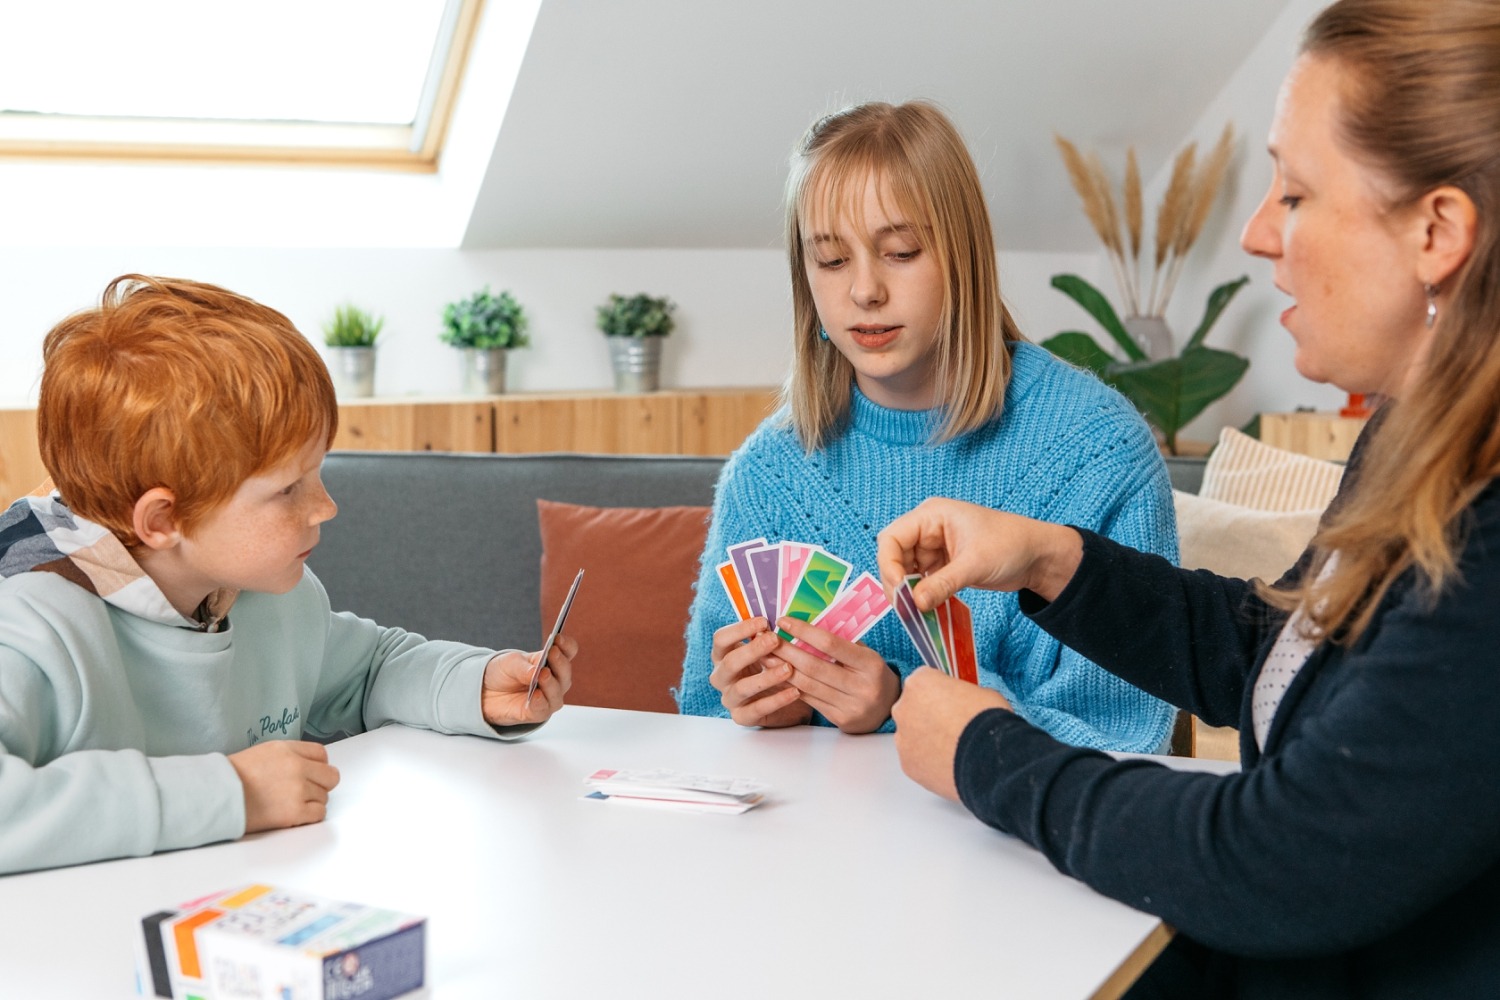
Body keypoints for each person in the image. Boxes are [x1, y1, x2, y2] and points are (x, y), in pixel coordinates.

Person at [877, 1, 1500, 994]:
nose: (1257, 234)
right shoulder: (1421, 441)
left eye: (1293, 193)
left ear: (1437, 232)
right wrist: (1047, 557)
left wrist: (985, 755)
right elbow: (1279, 648)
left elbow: (1278, 858)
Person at [0, 275, 575, 876]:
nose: (326, 506)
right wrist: (231, 793)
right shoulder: (34, 622)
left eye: (317, 473)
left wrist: (472, 685)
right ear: (163, 519)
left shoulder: (271, 596)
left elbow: (367, 670)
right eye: (288, 488)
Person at [676, 101, 1178, 751]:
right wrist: (759, 713)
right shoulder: (768, 474)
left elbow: (1125, 743)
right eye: (830, 260)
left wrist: (899, 698)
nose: (865, 290)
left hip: (1021, 841)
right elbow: (700, 723)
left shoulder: (1103, 454)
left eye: (901, 252)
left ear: (963, 256)